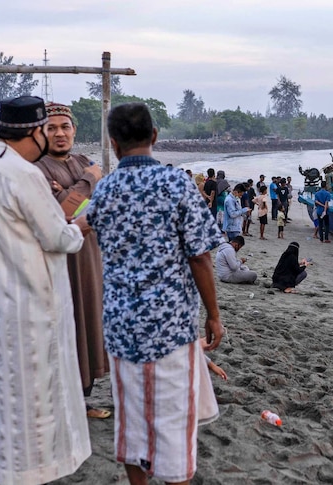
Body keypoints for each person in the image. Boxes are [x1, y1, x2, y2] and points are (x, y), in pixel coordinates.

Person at [87, 102, 224, 485]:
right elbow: (200, 257)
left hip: (120, 327)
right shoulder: (176, 183)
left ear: (113, 144)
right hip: (170, 328)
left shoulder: (105, 189)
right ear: (155, 136)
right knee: (173, 424)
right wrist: (213, 315)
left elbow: (87, 227)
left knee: (132, 422)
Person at [0, 96, 91, 484]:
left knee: (8, 393)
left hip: (1, 299)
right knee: (39, 398)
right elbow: (59, 236)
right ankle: (32, 472)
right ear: (35, 132)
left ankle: (4, 465)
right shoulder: (23, 174)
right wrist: (83, 225)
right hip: (34, 304)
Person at [34, 102, 111, 419]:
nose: (59, 133)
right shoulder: (37, 168)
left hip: (90, 256)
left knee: (91, 322)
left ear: (74, 130)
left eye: (65, 126)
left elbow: (100, 207)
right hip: (59, 261)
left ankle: (83, 399)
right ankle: (65, 401)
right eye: (51, 128)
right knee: (67, 326)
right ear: (41, 132)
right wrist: (85, 184)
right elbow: (62, 214)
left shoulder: (84, 162)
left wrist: (68, 192)